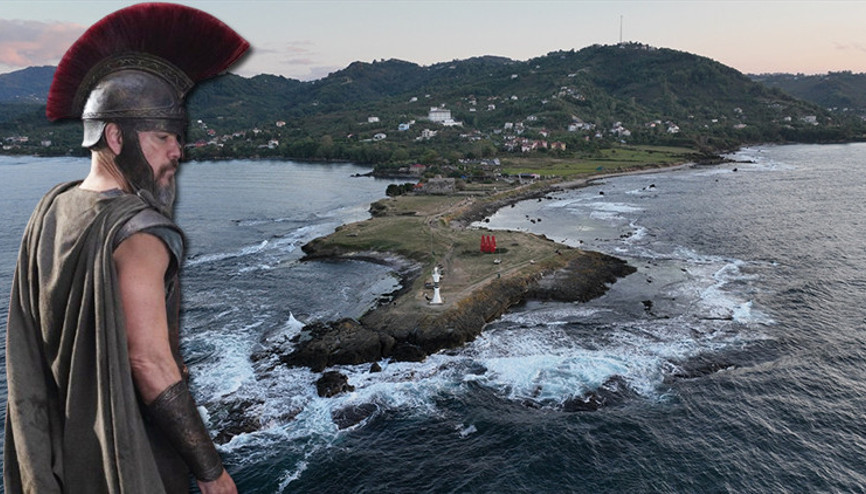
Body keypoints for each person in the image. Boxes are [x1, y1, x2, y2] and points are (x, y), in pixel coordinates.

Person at [3, 4, 249, 492]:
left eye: (178, 138)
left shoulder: (50, 208)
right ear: (115, 136)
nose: (178, 151)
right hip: (129, 460)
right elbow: (149, 362)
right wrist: (211, 471)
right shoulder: (139, 233)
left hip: (66, 457)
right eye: (163, 137)